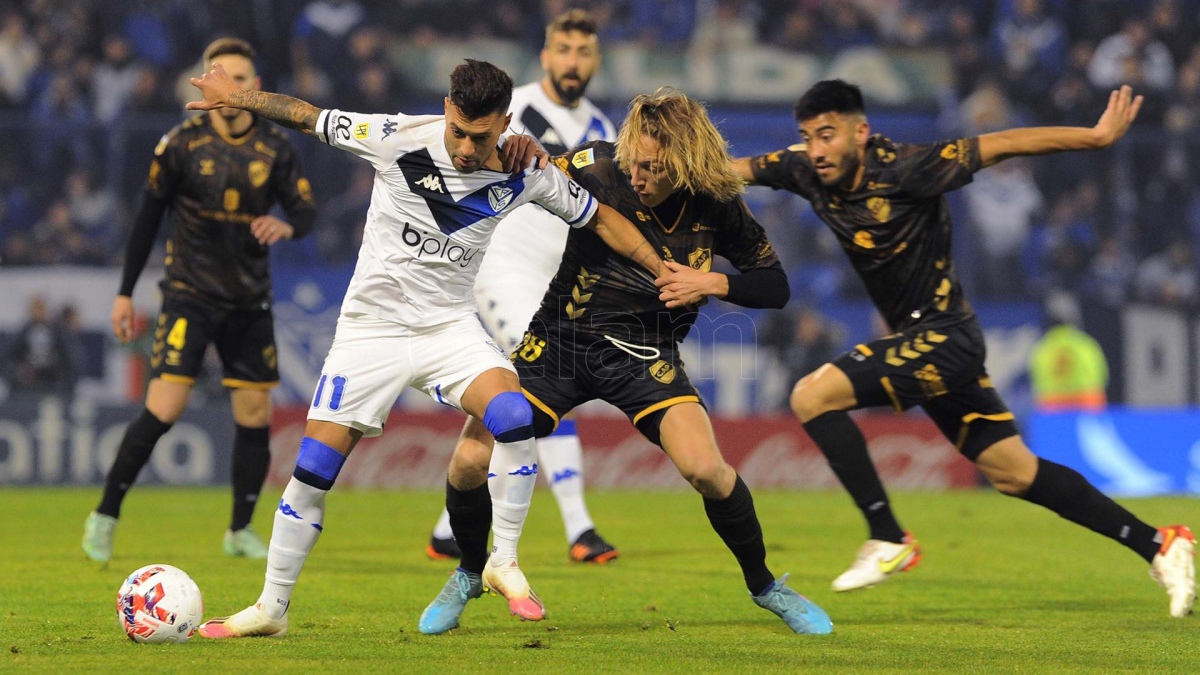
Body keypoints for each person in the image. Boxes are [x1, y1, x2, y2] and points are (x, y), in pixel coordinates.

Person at [185, 58, 665, 639]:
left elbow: (600, 218)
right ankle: (270, 610)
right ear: (445, 109)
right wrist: (238, 96)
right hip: (371, 332)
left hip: (449, 329)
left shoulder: (525, 170)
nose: (465, 148)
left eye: (481, 136)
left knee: (513, 413)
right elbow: (306, 116)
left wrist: (659, 268)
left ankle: (503, 560)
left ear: (504, 124)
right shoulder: (395, 138)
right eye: (458, 130)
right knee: (312, 472)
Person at [733, 79, 1195, 618]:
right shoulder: (803, 168)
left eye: (827, 135)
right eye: (807, 136)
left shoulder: (909, 167)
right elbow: (732, 173)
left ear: (860, 133)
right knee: (1014, 473)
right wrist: (648, 167)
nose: (815, 148)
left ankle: (888, 535)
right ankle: (1161, 544)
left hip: (942, 336)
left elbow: (1003, 144)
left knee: (813, 395)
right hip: (927, 343)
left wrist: (1092, 138)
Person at [419, 88, 833, 636]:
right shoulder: (596, 164)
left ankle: (766, 586)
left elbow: (775, 285)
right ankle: (470, 573)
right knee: (470, 458)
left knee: (707, 469)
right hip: (560, 344)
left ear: (683, 165)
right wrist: (506, 148)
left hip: (645, 355)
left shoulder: (715, 200)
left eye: (653, 169)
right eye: (634, 161)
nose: (637, 176)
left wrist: (712, 282)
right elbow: (513, 165)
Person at [82, 38, 318, 564]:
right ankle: (104, 514)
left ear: (255, 88)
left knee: (255, 415)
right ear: (208, 83)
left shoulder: (277, 149)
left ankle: (239, 530)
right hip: (189, 293)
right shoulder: (180, 144)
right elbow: (146, 221)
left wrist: (286, 224)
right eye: (224, 76)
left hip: (249, 299)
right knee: (164, 408)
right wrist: (124, 293)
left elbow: (306, 213)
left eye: (242, 79)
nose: (233, 87)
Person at [425, 8, 620, 565]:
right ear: (546, 55)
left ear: (596, 59)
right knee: (545, 377)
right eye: (564, 49)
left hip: (561, 276)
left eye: (584, 52)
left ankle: (448, 523)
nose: (573, 61)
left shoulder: (605, 131)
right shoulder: (514, 114)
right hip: (503, 263)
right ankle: (580, 528)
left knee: (519, 392)